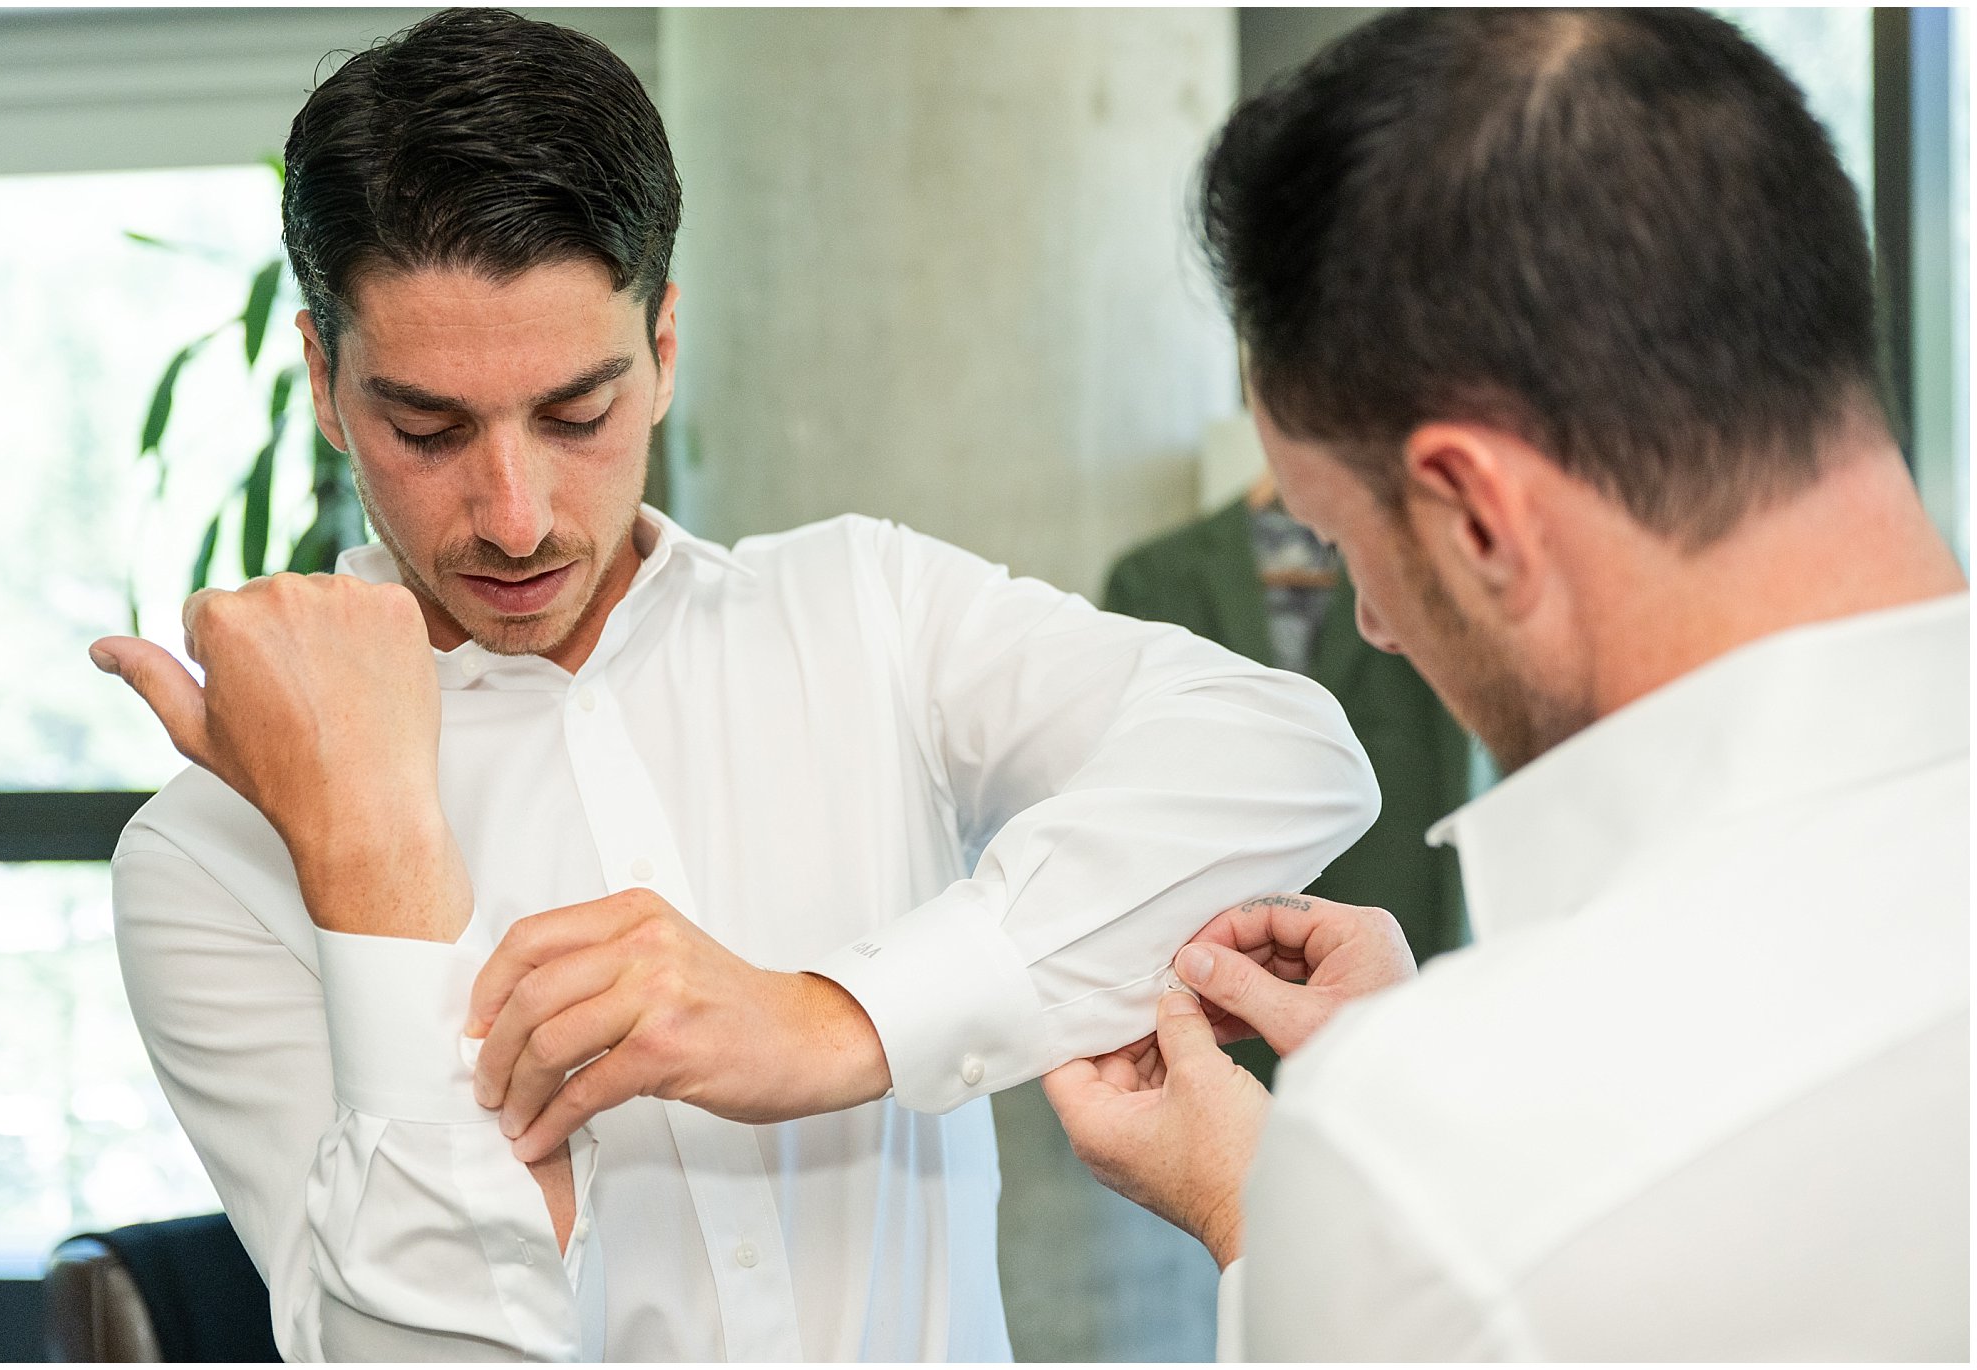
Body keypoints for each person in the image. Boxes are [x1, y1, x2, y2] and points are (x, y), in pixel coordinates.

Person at [90, 8, 1380, 1362]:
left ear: (662, 345)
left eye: (577, 414)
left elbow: (1286, 752)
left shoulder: (864, 608)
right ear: (323, 379)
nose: (516, 515)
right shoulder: (209, 860)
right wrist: (372, 859)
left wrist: (840, 1022)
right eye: (429, 428)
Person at [1044, 8, 1969, 1360]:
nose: (1367, 611)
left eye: (1347, 539)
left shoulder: (1425, 1165)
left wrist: (1296, 1216)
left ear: (1475, 516)